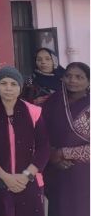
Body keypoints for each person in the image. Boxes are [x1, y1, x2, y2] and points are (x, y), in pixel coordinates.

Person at [0, 67, 50, 216]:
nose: (8, 88)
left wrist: (26, 176)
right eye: (3, 83)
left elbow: (43, 148)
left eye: (13, 84)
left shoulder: (33, 112)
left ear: (20, 87)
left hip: (29, 181)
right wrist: (6, 178)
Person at [42, 62, 89, 216]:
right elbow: (40, 134)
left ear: (88, 81)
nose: (72, 80)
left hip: (83, 173)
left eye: (79, 77)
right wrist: (51, 155)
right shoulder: (52, 101)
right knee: (58, 209)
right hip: (55, 170)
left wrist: (62, 153)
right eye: (68, 76)